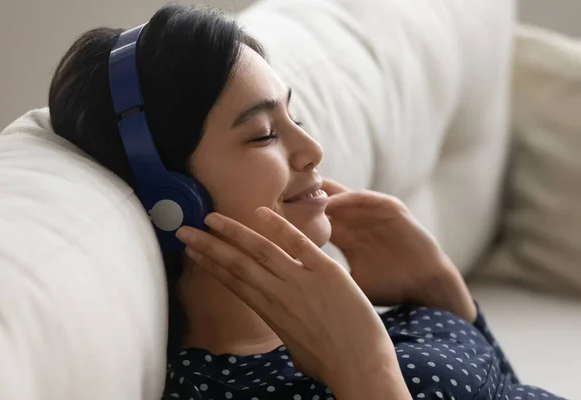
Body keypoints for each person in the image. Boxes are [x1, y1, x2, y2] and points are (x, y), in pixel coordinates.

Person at [48, 4, 564, 400]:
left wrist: (443, 292)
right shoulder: (225, 386)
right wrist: (366, 375)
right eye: (262, 134)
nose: (312, 150)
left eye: (293, 119)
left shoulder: (335, 322)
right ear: (171, 198)